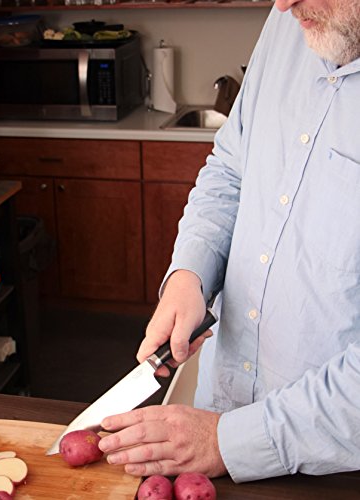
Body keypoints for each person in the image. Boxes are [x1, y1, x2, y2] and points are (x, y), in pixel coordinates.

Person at [98, 0, 360, 483]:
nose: (282, 4)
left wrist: (230, 442)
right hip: (214, 419)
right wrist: (190, 274)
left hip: (329, 468)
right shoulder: (288, 25)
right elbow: (231, 169)